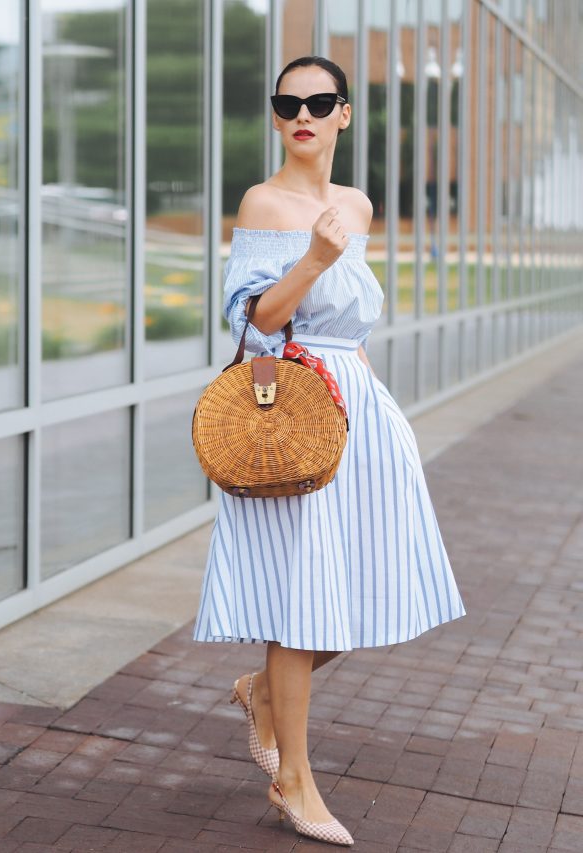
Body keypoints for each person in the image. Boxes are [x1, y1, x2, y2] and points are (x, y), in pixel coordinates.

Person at [193, 55, 466, 846]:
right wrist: (313, 255)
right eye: (288, 103)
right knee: (303, 603)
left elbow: (354, 318)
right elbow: (253, 325)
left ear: (345, 113)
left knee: (368, 583)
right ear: (277, 116)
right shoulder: (265, 202)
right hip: (292, 409)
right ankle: (294, 778)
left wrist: (381, 414)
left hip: (362, 411)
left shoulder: (357, 202)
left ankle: (263, 693)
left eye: (319, 102)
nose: (302, 114)